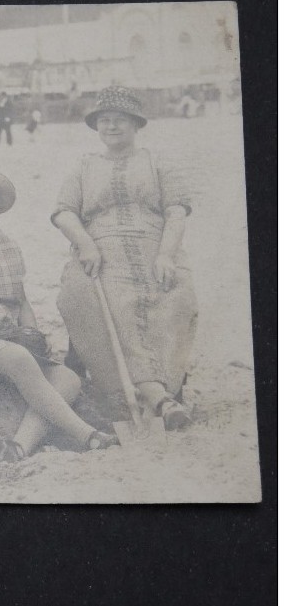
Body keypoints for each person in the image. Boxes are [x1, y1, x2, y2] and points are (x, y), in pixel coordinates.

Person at [0, 166, 118, 462]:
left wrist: (31, 333)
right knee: (17, 357)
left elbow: (20, 301)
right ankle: (89, 435)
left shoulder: (7, 244)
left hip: (11, 341)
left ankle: (19, 446)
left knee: (68, 378)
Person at [51, 86, 198, 430]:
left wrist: (166, 254)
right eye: (104, 120)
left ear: (136, 125)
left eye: (119, 120)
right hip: (99, 250)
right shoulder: (84, 166)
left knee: (175, 297)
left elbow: (176, 211)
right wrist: (85, 243)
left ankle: (163, 388)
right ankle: (154, 396)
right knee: (90, 299)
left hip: (154, 245)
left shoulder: (157, 162)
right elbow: (63, 213)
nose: (111, 127)